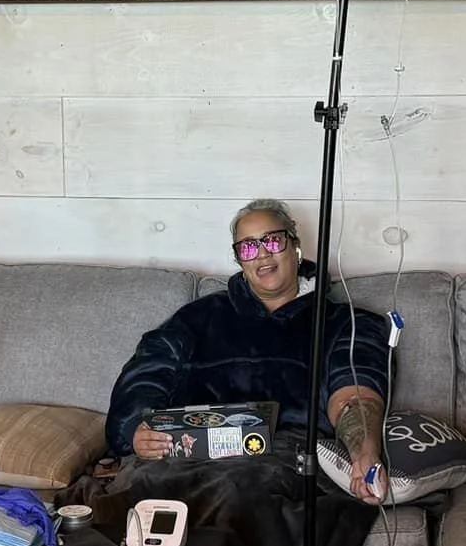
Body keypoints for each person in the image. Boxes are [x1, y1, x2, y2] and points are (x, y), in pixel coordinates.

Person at [106, 199, 389, 499]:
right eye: (249, 247)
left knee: (238, 490)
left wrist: (364, 453)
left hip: (283, 455)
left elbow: (355, 396)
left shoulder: (346, 323)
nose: (263, 254)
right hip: (188, 450)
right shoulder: (197, 318)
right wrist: (137, 429)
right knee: (144, 491)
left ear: (295, 245)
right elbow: (145, 374)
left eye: (273, 240)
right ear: (240, 259)